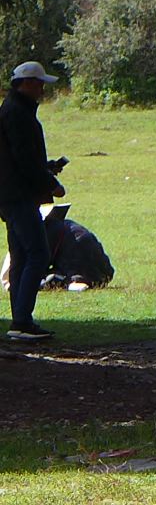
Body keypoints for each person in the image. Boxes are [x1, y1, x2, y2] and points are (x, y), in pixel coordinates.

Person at [0, 61, 66, 342]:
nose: (42, 89)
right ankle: (22, 321)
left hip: (9, 194)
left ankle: (20, 321)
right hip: (18, 196)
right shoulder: (19, 115)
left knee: (21, 256)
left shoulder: (12, 111)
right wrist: (51, 184)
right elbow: (24, 160)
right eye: (38, 83)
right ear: (25, 84)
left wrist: (46, 167)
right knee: (38, 253)